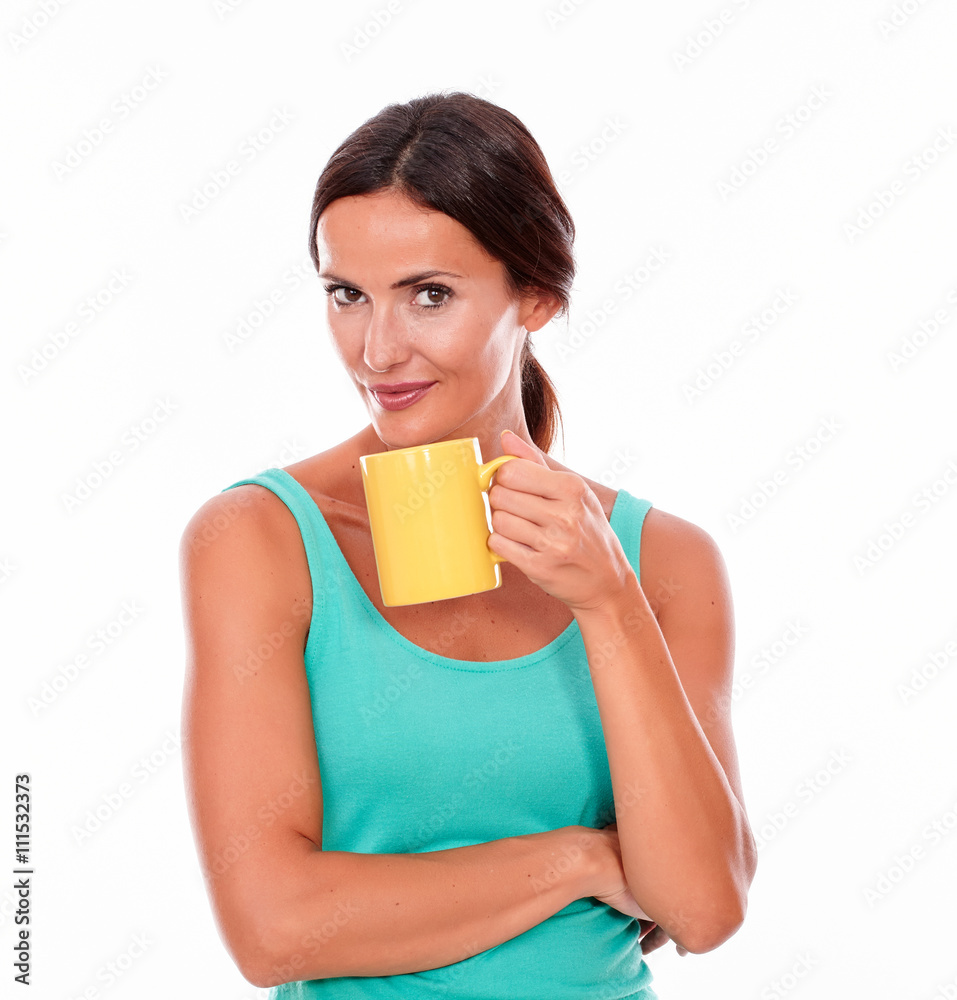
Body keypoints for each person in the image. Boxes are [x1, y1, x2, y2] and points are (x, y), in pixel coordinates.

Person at [179, 91, 757, 998]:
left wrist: (608, 602)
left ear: (536, 296)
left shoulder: (664, 561)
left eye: (430, 296)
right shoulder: (258, 538)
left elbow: (703, 909)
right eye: (346, 295)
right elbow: (274, 929)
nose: (376, 351)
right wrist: (578, 859)